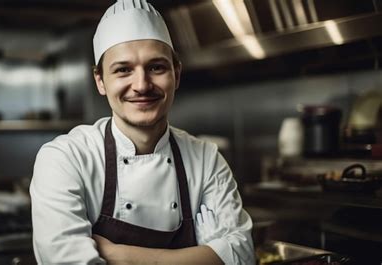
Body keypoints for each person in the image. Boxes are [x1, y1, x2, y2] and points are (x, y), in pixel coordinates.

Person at [29, 0, 254, 264]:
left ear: (176, 74)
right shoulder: (65, 158)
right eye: (123, 70)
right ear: (100, 81)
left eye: (156, 67)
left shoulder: (206, 158)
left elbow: (242, 255)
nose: (141, 85)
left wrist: (122, 256)